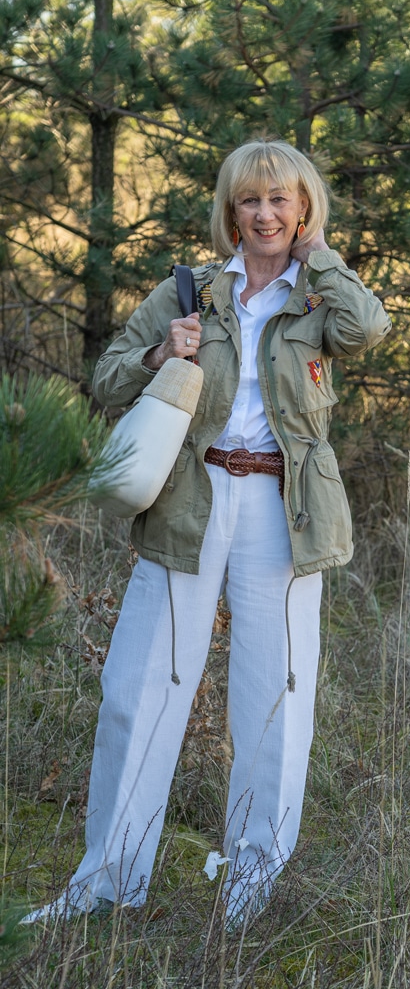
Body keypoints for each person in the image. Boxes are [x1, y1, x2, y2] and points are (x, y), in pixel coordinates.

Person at [22, 138, 391, 929]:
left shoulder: (319, 296)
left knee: (275, 696)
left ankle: (249, 889)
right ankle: (108, 881)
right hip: (190, 494)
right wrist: (163, 350)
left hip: (282, 509)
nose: (264, 215)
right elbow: (109, 375)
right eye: (249, 201)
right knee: (140, 687)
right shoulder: (192, 289)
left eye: (280, 201)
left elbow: (367, 330)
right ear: (230, 211)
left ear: (302, 210)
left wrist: (319, 255)